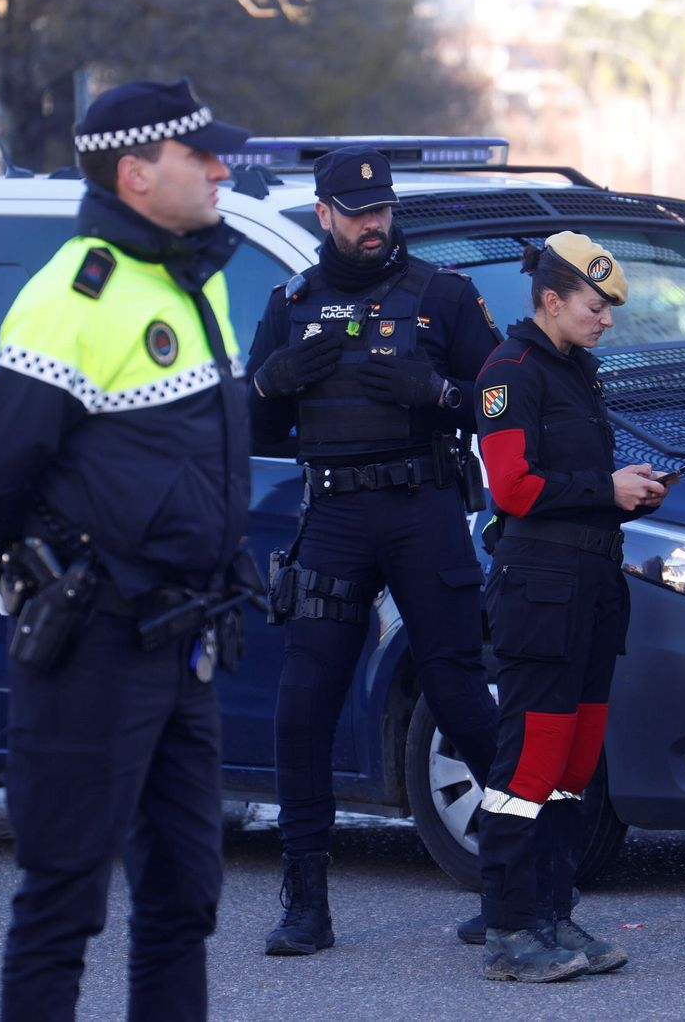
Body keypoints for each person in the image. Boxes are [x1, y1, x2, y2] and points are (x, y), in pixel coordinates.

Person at [0, 79, 254, 1021]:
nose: (221, 169)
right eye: (201, 157)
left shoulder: (196, 280)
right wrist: (52, 573)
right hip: (97, 647)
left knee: (185, 896)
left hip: (185, 643)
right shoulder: (78, 294)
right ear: (136, 173)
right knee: (63, 901)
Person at [247, 145, 501, 955]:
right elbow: (252, 427)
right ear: (323, 215)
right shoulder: (291, 303)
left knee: (461, 695)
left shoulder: (443, 296)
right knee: (303, 703)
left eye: (382, 211)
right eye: (356, 214)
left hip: (422, 506)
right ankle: (306, 903)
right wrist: (274, 378)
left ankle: (525, 879)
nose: (372, 225)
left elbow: (502, 403)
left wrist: (437, 395)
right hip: (336, 514)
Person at [472, 232, 666, 982]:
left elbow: (570, 479)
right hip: (541, 594)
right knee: (529, 764)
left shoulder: (575, 372)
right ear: (551, 301)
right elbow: (513, 488)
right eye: (596, 305)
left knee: (573, 768)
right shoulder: (510, 371)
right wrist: (604, 491)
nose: (608, 319)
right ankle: (511, 928)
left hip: (590, 589)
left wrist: (627, 486)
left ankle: (553, 912)